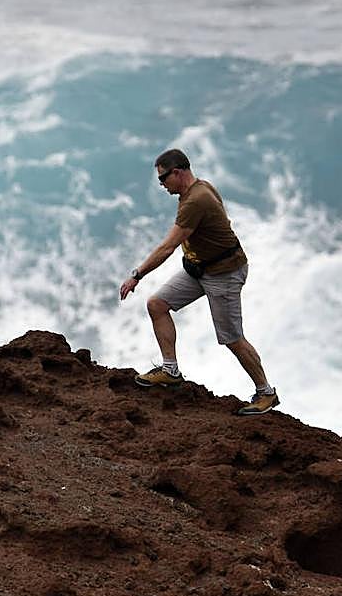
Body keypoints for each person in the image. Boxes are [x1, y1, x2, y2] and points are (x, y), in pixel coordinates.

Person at [119, 148, 279, 415]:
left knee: (232, 338)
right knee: (157, 304)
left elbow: (167, 247)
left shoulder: (197, 200)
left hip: (224, 274)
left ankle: (266, 393)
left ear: (177, 173)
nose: (161, 185)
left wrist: (137, 275)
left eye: (163, 179)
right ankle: (170, 370)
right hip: (200, 269)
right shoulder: (195, 190)